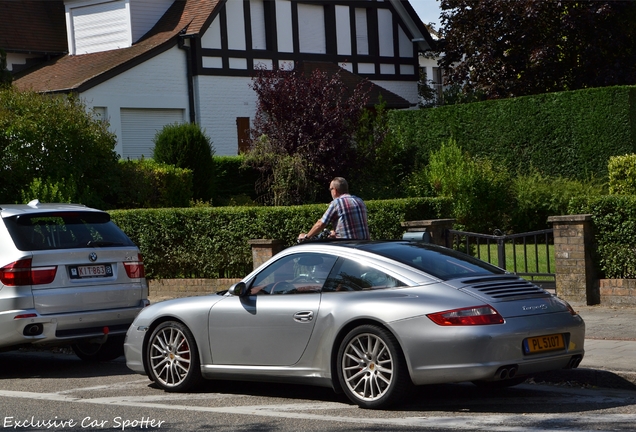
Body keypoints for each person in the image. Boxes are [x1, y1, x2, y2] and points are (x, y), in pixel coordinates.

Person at [298, 177, 370, 241]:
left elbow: (320, 224)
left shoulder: (337, 203)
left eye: (330, 189)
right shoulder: (359, 201)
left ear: (334, 190)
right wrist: (336, 233)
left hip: (348, 248)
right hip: (364, 245)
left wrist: (306, 237)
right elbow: (354, 227)